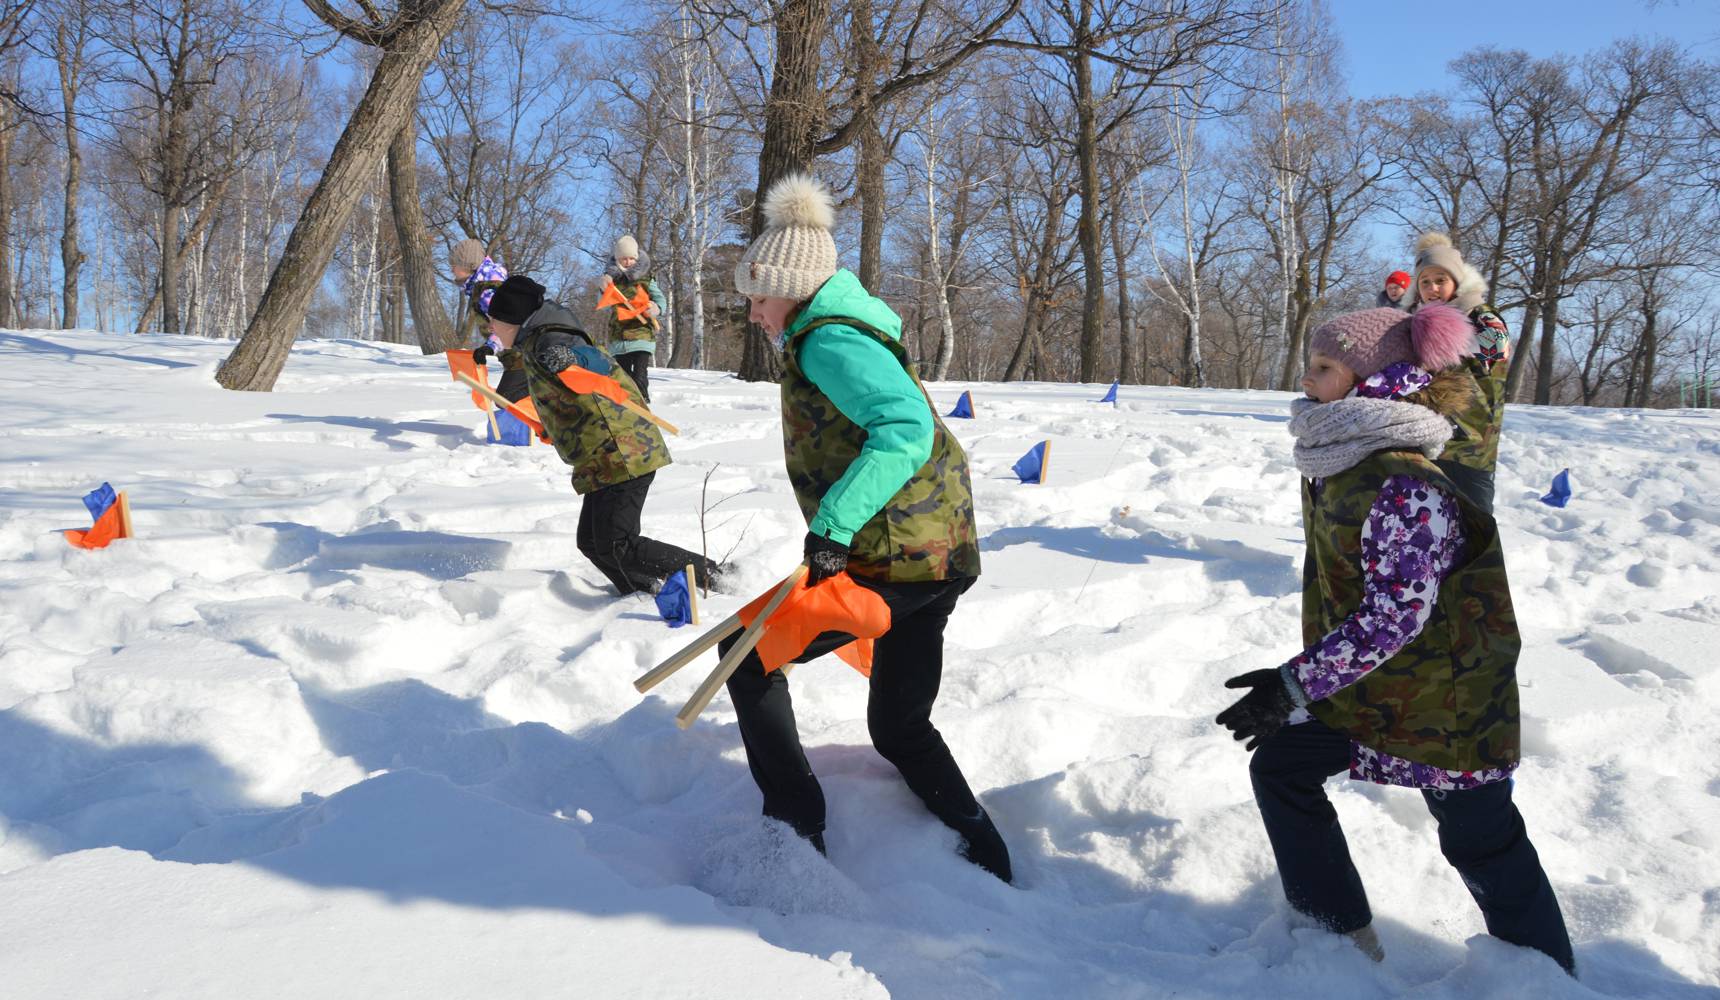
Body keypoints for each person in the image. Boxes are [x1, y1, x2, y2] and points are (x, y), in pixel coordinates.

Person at [1217, 304, 1574, 976]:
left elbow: (1396, 616)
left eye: (1324, 366)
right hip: (1388, 691)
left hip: (1452, 701)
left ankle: (1546, 982)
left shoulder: (1404, 482)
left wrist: (1295, 684)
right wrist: (1307, 683)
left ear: (1374, 381)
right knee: (1283, 768)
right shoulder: (1342, 460)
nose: (1307, 377)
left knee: (1481, 840)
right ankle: (1339, 941)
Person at [718, 173, 1010, 881]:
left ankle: (794, 836)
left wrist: (833, 528)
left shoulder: (826, 342)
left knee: (746, 655)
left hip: (899, 557)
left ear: (788, 287)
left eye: (758, 297)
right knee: (899, 726)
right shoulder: (844, 329)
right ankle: (986, 851)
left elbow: (905, 429)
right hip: (936, 553)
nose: (754, 313)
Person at [483, 273, 716, 595]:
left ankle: (716, 577)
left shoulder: (554, 338)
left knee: (616, 544)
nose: (490, 329)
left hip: (624, 449)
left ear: (512, 321)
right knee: (593, 543)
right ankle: (642, 593)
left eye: (493, 323)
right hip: (602, 453)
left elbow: (599, 363)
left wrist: (574, 358)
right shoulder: (536, 340)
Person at [1403, 233, 1511, 512]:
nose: (1432, 288)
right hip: (1427, 439)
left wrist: (1447, 332)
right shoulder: (1415, 322)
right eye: (1425, 282)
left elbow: (1498, 346)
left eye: (1441, 280)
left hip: (1472, 445)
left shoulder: (1478, 312)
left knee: (1474, 520)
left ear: (1457, 282)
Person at [449, 238, 526, 407]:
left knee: (509, 400)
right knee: (511, 400)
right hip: (521, 351)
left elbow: (508, 324)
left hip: (524, 353)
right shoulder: (487, 283)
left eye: (454, 264)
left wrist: (490, 346)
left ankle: (528, 432)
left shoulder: (487, 290)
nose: (451, 268)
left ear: (467, 265)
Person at [598, 235, 664, 402]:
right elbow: (603, 305)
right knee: (624, 375)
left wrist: (654, 308)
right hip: (619, 336)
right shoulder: (612, 281)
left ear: (636, 258)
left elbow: (660, 300)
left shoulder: (646, 279)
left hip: (641, 333)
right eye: (623, 258)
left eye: (630, 258)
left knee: (640, 373)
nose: (627, 262)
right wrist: (603, 289)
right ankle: (627, 403)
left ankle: (643, 400)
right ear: (617, 259)